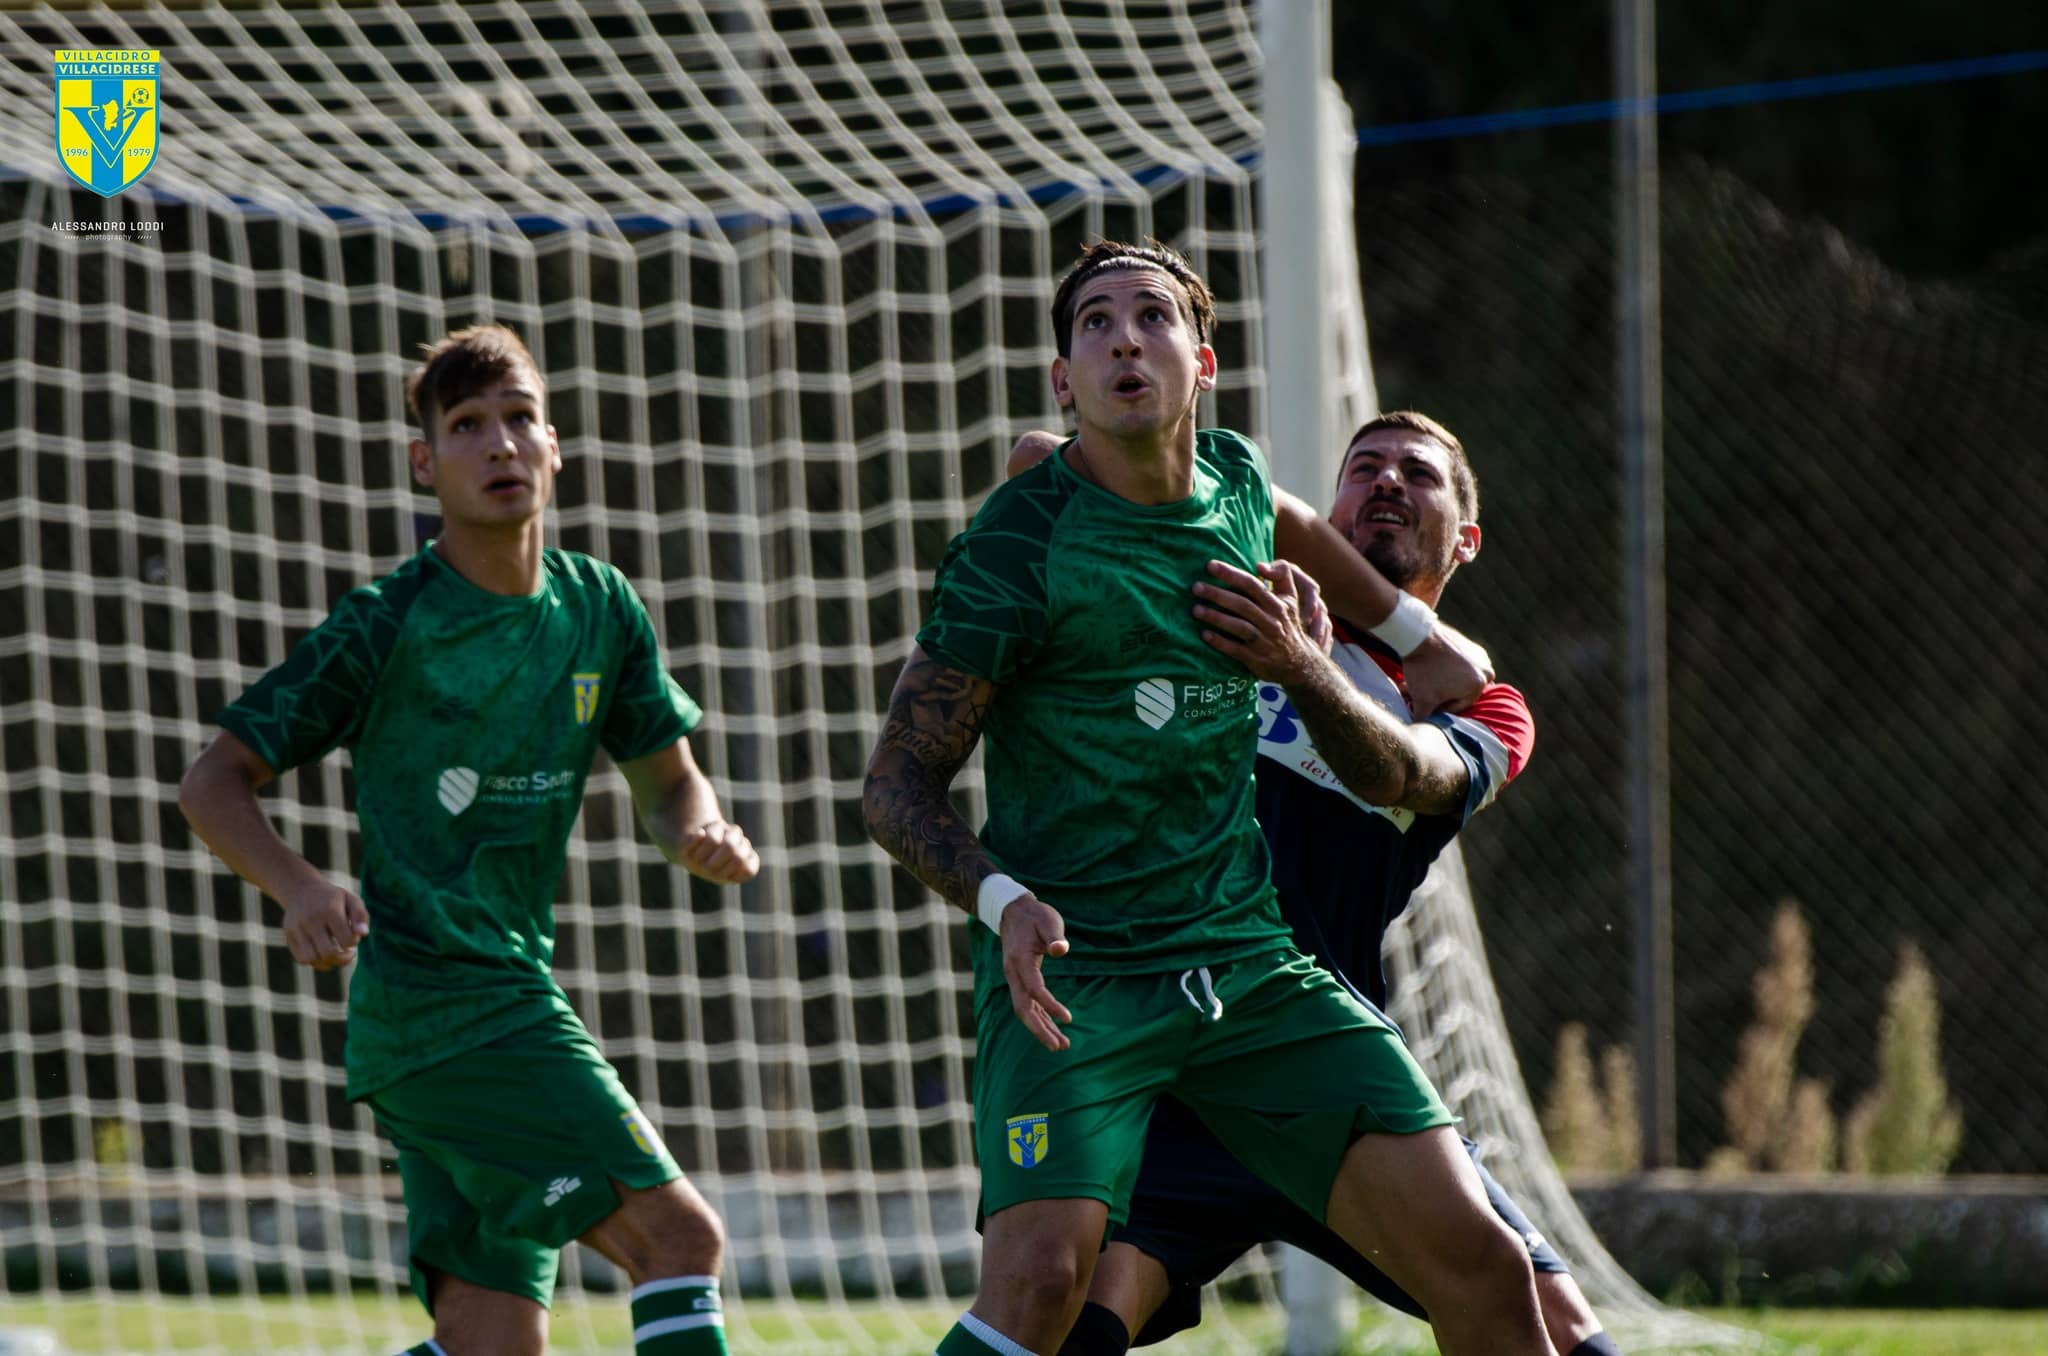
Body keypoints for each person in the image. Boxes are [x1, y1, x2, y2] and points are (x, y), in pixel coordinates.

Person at [862, 240, 1553, 1356]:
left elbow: (1278, 513)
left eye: (1150, 317)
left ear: (1201, 361)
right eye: (1093, 322)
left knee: (1486, 1265)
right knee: (1041, 1284)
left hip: (1246, 967)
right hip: (1082, 980)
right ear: (1063, 374)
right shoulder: (1015, 546)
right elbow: (894, 786)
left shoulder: (1233, 486)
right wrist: (1001, 900)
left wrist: (1407, 634)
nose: (1123, 337)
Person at [178, 325, 758, 1356]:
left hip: (475, 1012)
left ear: (554, 445)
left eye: (519, 419)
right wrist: (300, 886)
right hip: (445, 1012)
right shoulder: (387, 622)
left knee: (492, 1341)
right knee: (679, 1240)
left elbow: (670, 785)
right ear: (424, 461)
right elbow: (213, 781)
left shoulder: (601, 609)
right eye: (466, 426)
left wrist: (699, 830)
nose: (499, 444)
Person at [1011, 412, 1623, 1356]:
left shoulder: (1479, 701)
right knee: (1067, 1319)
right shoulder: (1231, 582)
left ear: (1466, 538)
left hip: (1320, 1060)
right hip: (1168, 1057)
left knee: (1547, 1323)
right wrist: (1399, 620)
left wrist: (1310, 665)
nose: (1384, 482)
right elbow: (1040, 457)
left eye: (1417, 474)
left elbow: (1400, 780)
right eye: (1363, 467)